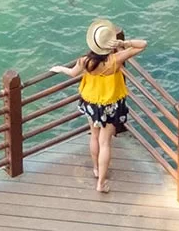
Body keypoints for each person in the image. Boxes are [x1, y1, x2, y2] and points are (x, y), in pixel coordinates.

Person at [51, 20, 147, 194]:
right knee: (105, 143)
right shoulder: (116, 59)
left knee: (94, 136)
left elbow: (72, 73)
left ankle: (96, 168)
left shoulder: (85, 61)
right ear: (109, 44)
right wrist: (124, 43)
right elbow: (142, 44)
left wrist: (60, 69)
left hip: (91, 103)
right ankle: (101, 183)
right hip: (111, 104)